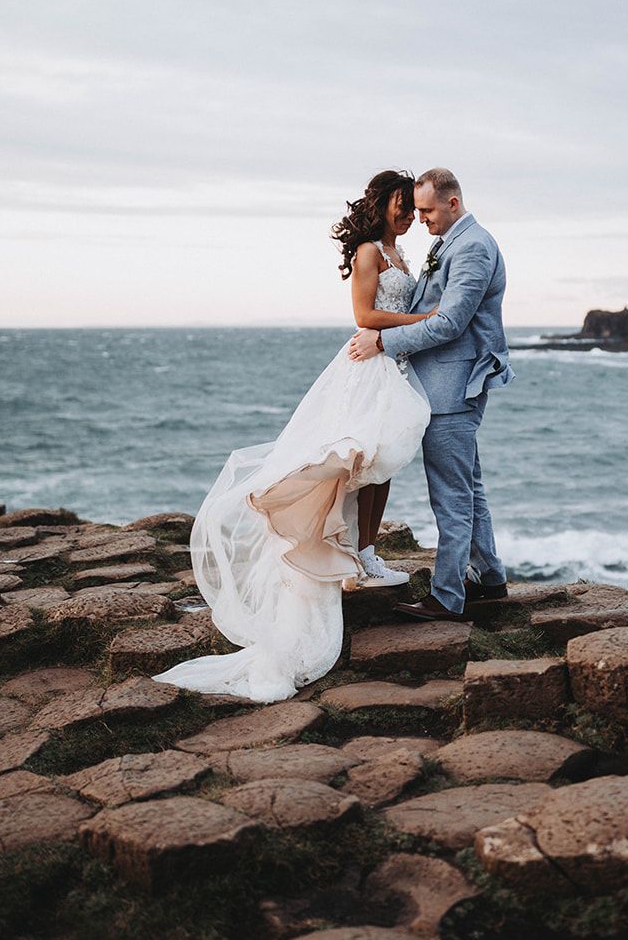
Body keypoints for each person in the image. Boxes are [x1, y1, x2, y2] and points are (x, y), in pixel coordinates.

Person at [153, 170, 434, 702]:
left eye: (410, 206)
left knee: (384, 461)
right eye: (401, 204)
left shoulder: (399, 254)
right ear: (382, 205)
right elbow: (363, 314)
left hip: (391, 367)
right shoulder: (369, 253)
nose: (406, 214)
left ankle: (367, 551)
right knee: (357, 461)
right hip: (365, 369)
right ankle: (348, 552)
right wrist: (425, 318)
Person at [348, 167, 512, 619]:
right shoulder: (450, 243)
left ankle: (447, 597)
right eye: (415, 210)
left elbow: (450, 322)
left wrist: (384, 341)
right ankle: (490, 578)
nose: (420, 219)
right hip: (441, 383)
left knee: (451, 495)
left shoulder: (474, 247)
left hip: (451, 387)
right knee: (468, 487)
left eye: (427, 210)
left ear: (453, 203)